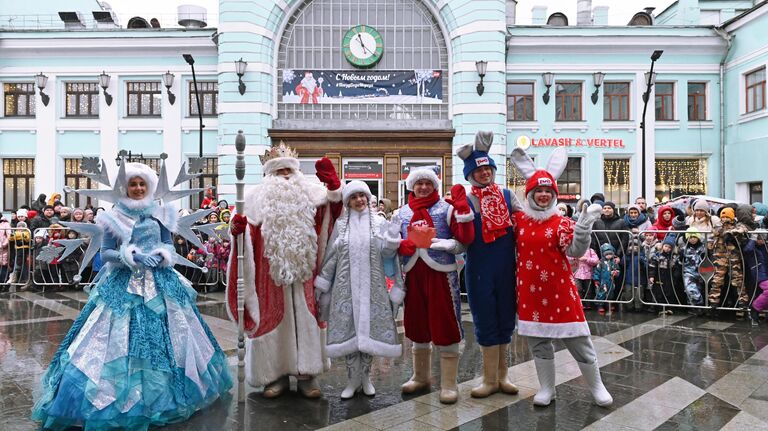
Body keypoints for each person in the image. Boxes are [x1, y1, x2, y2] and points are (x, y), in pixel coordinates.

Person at [32, 162, 232, 430]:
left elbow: (169, 246)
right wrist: (132, 256)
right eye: (133, 184)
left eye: (142, 184)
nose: (138, 189)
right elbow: (106, 253)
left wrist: (160, 256)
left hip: (160, 281)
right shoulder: (113, 217)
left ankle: (166, 396)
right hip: (124, 283)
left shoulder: (160, 214)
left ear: (148, 186)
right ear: (125, 187)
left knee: (176, 333)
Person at [226, 142, 343, 399]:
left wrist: (335, 190)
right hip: (270, 273)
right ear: (270, 174)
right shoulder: (255, 198)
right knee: (273, 318)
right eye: (280, 172)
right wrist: (237, 230)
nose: (286, 175)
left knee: (306, 318)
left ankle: (306, 375)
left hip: (304, 272)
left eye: (289, 170)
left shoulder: (311, 193)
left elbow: (332, 217)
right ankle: (275, 375)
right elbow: (244, 232)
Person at [508, 147, 612, 407]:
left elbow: (576, 250)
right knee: (539, 343)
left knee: (579, 341)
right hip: (531, 292)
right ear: (530, 194)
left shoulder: (561, 223)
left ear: (554, 195)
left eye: (548, 191)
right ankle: (547, 389)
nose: (543, 195)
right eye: (538, 191)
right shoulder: (519, 220)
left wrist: (584, 226)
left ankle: (597, 386)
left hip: (560, 291)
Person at [314, 181, 402, 399]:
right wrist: (323, 282)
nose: (359, 200)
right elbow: (332, 256)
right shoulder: (341, 225)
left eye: (362, 196)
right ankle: (352, 379)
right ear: (348, 202)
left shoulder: (380, 222)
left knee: (368, 329)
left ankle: (366, 377)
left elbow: (388, 256)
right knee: (350, 330)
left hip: (373, 288)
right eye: (354, 197)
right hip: (346, 289)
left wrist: (391, 240)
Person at [397, 166, 474, 404]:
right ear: (412, 186)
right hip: (413, 273)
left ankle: (449, 383)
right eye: (418, 183)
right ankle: (421, 376)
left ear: (435, 186)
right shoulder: (401, 213)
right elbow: (391, 242)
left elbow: (463, 242)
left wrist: (446, 245)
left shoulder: (447, 209)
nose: (423, 187)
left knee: (445, 323)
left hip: (441, 274)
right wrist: (400, 246)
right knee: (416, 323)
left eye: (427, 183)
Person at [455, 131, 519, 398]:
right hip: (479, 268)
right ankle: (489, 378)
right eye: (479, 172)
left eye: (488, 169)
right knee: (484, 319)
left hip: (506, 267)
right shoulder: (466, 201)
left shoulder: (507, 195)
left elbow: (527, 222)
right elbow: (458, 237)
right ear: (470, 175)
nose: (485, 174)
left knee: (506, 317)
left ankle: (503, 377)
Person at [680, 227, 706, 307]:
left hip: (701, 273)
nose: (692, 239)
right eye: (690, 237)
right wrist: (681, 258)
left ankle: (693, 306)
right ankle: (699, 305)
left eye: (694, 237)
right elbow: (680, 262)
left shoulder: (703, 248)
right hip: (689, 272)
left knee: (698, 290)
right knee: (691, 290)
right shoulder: (684, 249)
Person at [593, 244, 620, 315]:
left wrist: (616, 273)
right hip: (602, 281)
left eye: (610, 254)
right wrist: (596, 280)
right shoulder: (600, 262)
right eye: (607, 254)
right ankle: (600, 305)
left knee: (610, 293)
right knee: (601, 293)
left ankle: (609, 304)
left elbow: (617, 270)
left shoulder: (614, 262)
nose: (608, 256)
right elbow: (596, 271)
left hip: (611, 281)